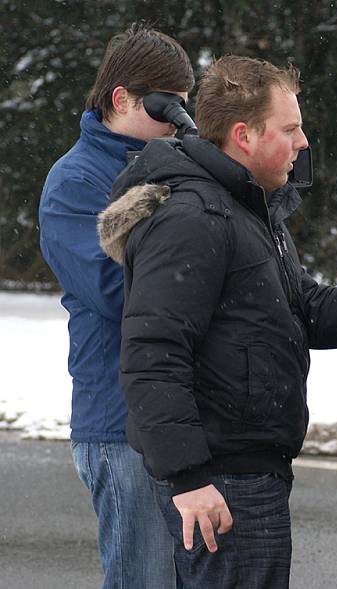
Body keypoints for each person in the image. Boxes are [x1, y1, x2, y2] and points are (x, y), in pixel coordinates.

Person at [95, 54, 337, 589]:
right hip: (223, 482)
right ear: (244, 135)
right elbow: (152, 354)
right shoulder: (195, 217)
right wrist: (189, 479)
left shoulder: (247, 209)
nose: (303, 143)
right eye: (290, 129)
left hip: (249, 473)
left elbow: (307, 309)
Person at [38, 25, 194, 588]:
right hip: (118, 423)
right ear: (121, 98)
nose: (177, 120)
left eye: (184, 105)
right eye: (164, 105)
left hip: (177, 420)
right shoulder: (75, 182)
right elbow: (114, 291)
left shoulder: (178, 166)